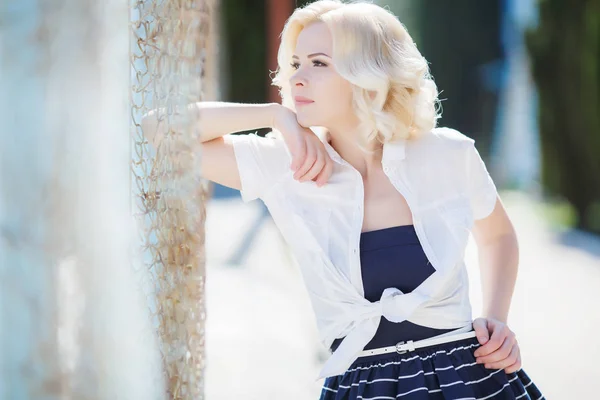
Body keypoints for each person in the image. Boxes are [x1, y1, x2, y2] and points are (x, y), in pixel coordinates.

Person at [143, 1, 545, 398]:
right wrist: (273, 116)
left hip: (469, 380)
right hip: (362, 387)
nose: (298, 78)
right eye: (295, 64)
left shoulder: (448, 153)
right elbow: (157, 128)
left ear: (367, 73)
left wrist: (496, 319)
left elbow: (498, 236)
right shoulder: (284, 164)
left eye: (318, 63)